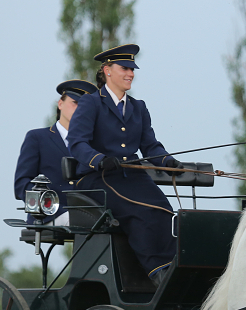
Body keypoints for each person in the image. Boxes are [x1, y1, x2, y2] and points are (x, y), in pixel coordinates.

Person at [67, 43, 181, 286]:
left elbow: (150, 146)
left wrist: (167, 161)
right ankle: (157, 271)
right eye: (125, 68)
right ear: (107, 70)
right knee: (139, 211)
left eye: (133, 69)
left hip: (132, 176)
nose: (131, 74)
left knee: (165, 211)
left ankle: (174, 267)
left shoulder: (139, 108)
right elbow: (76, 143)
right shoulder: (90, 103)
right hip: (98, 178)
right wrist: (99, 160)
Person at [14, 80, 97, 225]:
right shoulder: (37, 138)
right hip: (48, 215)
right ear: (60, 104)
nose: (79, 110)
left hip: (87, 212)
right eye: (74, 103)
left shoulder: (94, 145)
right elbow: (21, 184)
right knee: (88, 223)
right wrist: (47, 206)